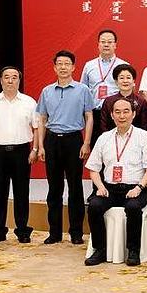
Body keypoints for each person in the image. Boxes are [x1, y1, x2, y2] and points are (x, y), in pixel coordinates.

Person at [84, 99, 147, 266]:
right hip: (109, 188)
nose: (121, 116)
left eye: (126, 111)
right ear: (111, 115)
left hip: (135, 188)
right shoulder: (104, 138)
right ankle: (100, 250)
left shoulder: (143, 137)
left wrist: (139, 187)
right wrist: (100, 187)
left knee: (133, 207)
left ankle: (133, 251)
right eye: (117, 112)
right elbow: (93, 168)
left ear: (133, 114)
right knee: (94, 206)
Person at [36, 50, 94, 244]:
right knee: (54, 188)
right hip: (52, 140)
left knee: (75, 187)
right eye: (59, 64)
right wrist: (41, 145)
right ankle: (54, 233)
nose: (63, 67)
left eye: (67, 63)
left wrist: (86, 142)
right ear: (54, 67)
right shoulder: (47, 91)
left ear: (73, 67)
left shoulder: (82, 90)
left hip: (74, 140)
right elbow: (42, 119)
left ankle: (76, 233)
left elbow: (89, 117)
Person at [0, 66, 39, 244]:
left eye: (14, 77)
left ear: (19, 80)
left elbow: (37, 128)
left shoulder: (29, 102)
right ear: (1, 80)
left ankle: (22, 230)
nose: (10, 80)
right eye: (7, 77)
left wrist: (35, 149)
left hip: (21, 152)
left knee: (22, 192)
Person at [81, 29, 129, 146]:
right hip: (95, 114)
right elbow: (83, 90)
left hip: (117, 114)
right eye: (103, 42)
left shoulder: (123, 65)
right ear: (98, 44)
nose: (106, 44)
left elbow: (128, 91)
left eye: (110, 42)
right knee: (96, 147)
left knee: (117, 147)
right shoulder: (89, 65)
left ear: (115, 45)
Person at [100, 64, 147, 133]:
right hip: (112, 137)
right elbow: (103, 125)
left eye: (128, 78)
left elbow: (145, 125)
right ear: (116, 81)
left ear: (133, 81)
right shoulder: (108, 101)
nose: (125, 81)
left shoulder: (141, 102)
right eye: (121, 78)